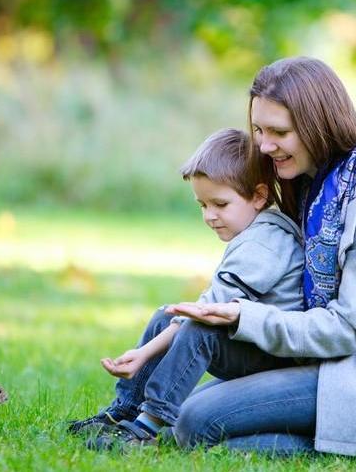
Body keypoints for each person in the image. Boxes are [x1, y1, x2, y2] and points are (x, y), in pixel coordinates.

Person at [167, 56, 356, 457]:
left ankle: (345, 443)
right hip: (328, 364)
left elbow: (348, 329)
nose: (263, 145)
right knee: (185, 416)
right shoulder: (320, 183)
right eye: (259, 129)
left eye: (279, 132)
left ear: (319, 124)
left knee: (198, 423)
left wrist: (245, 316)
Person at [66, 128, 305, 450]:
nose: (209, 216)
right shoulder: (254, 234)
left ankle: (145, 428)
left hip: (276, 355)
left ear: (259, 196)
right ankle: (123, 412)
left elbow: (208, 312)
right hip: (251, 342)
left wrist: (144, 353)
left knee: (198, 329)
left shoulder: (266, 242)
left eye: (220, 204)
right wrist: (147, 349)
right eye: (202, 205)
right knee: (168, 316)